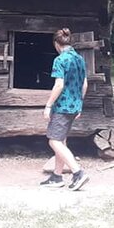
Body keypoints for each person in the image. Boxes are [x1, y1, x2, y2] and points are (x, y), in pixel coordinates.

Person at [39, 28, 89, 190]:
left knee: (53, 141)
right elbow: (84, 84)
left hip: (62, 107)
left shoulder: (60, 60)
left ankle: (78, 172)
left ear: (56, 43)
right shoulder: (80, 59)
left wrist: (48, 105)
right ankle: (57, 177)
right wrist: (79, 104)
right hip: (74, 106)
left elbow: (59, 84)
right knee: (61, 140)